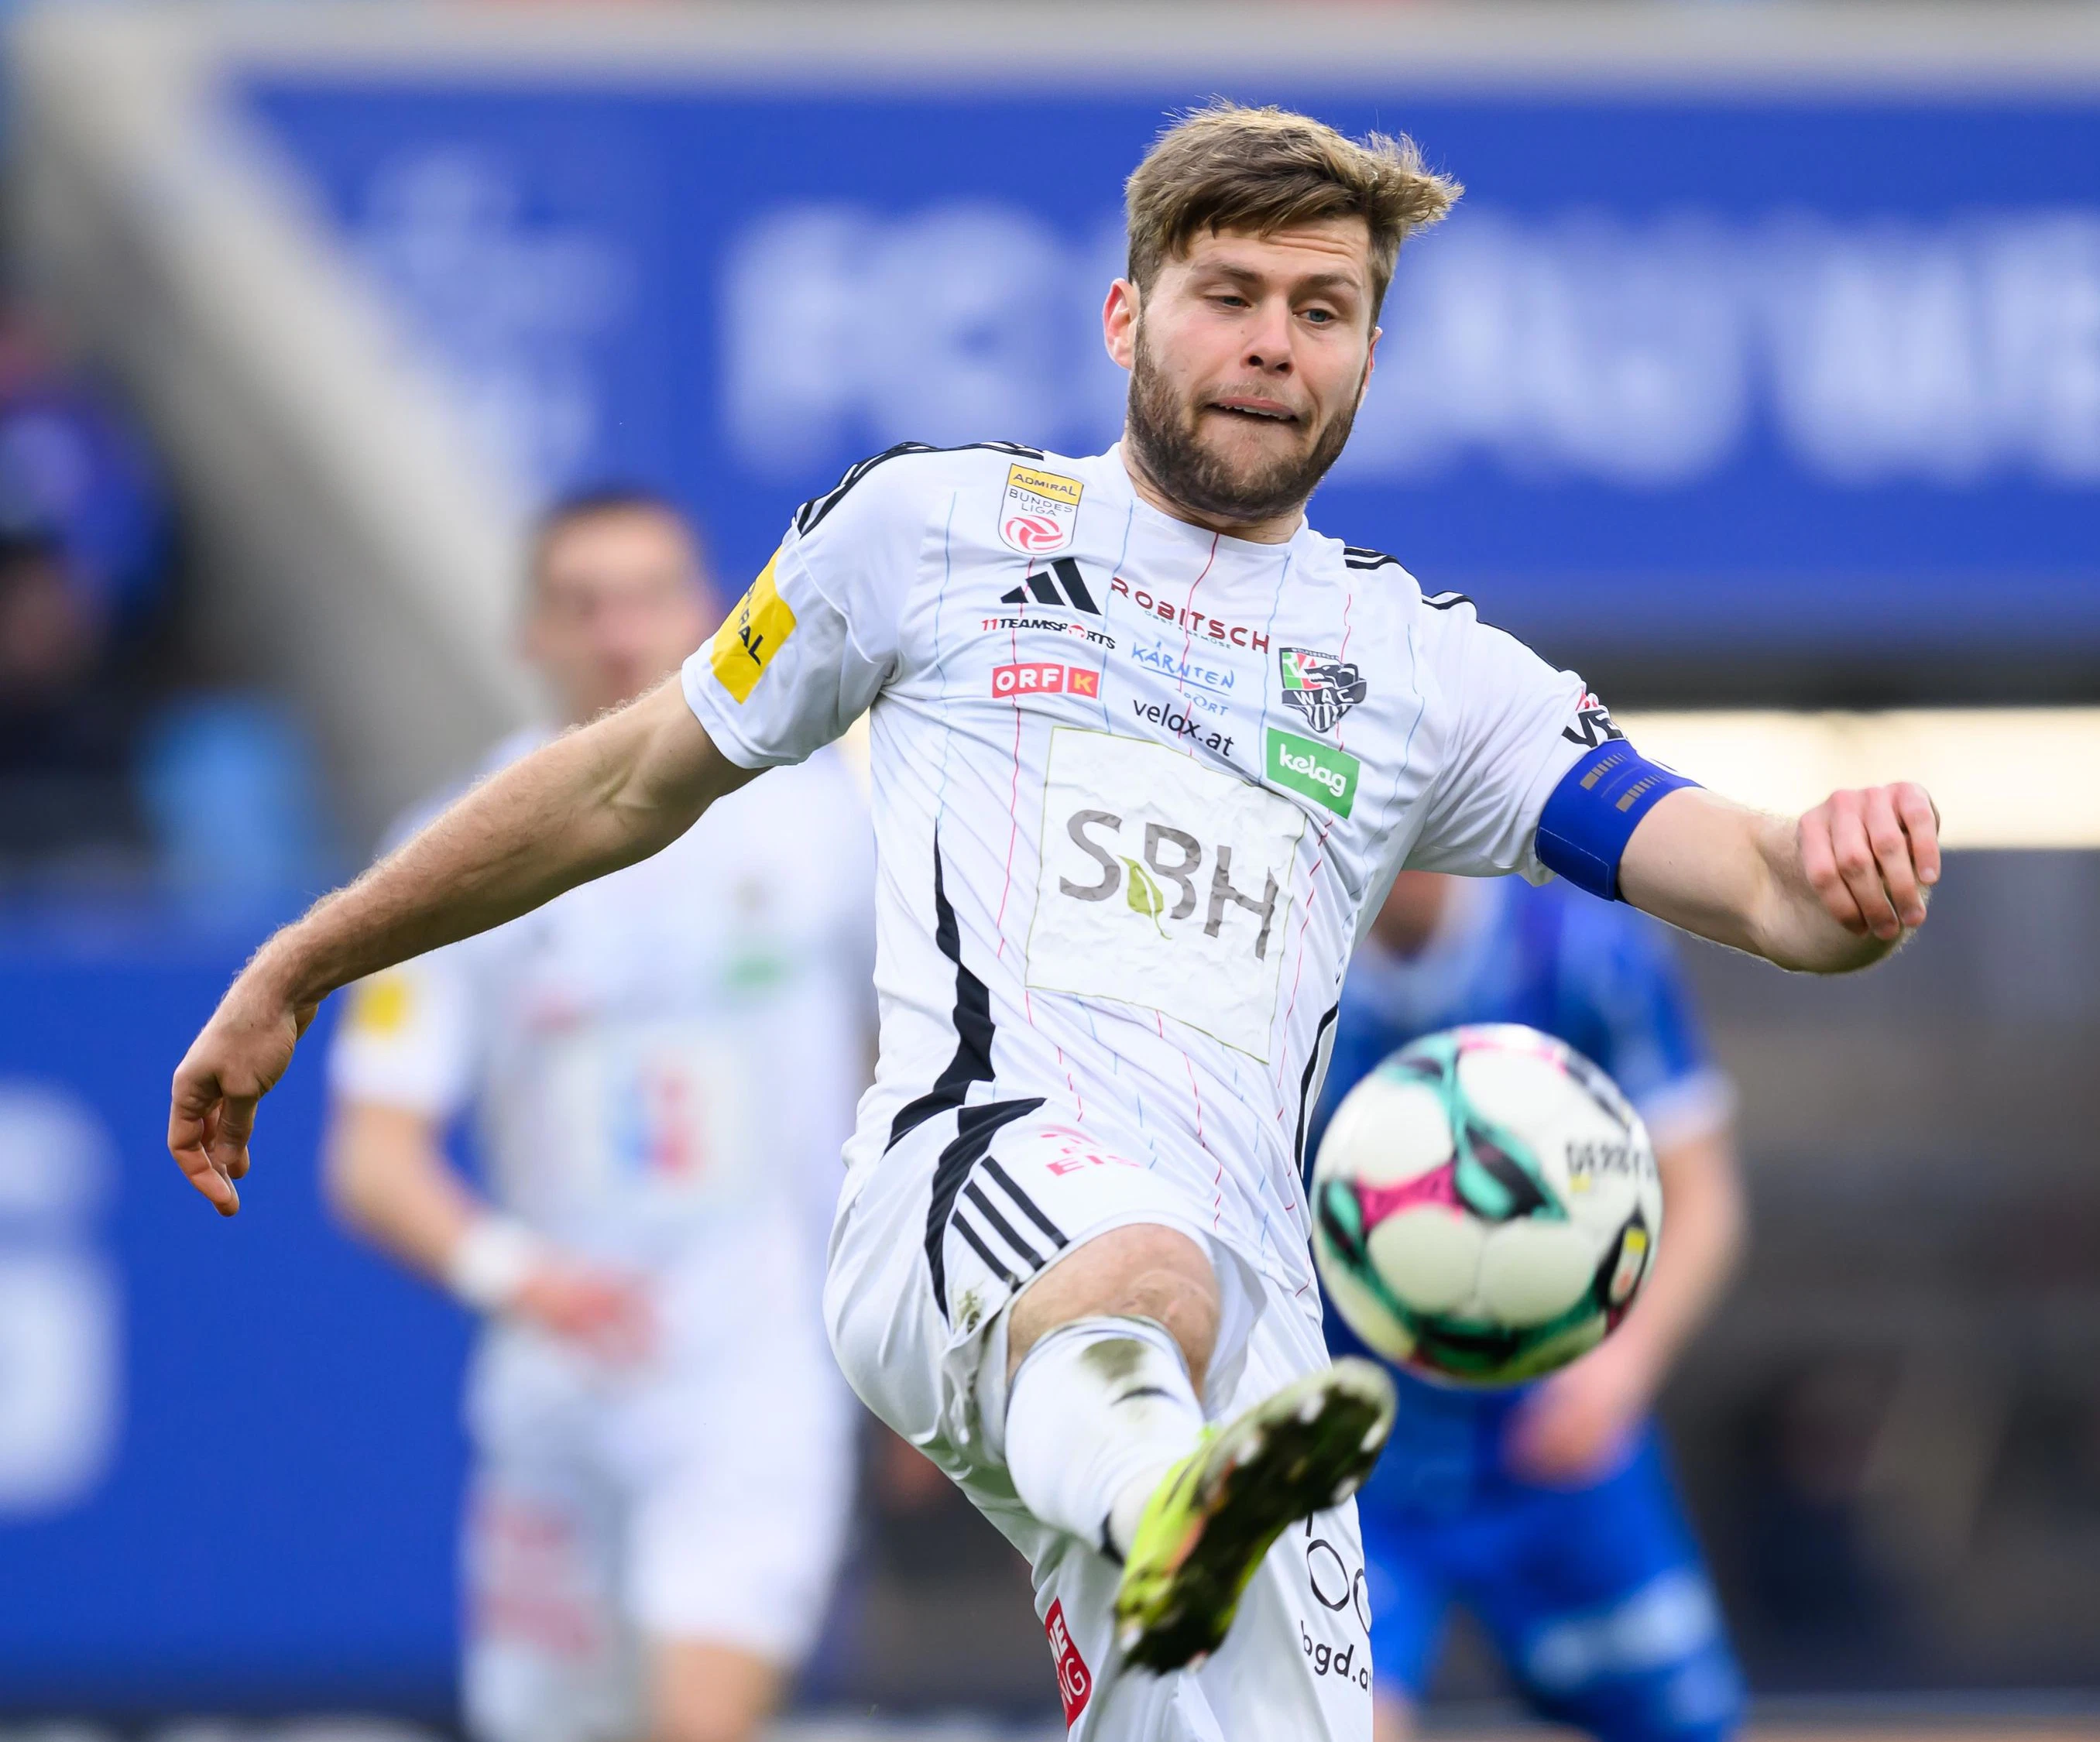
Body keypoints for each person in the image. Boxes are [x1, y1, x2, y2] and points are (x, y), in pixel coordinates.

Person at [166, 103, 1941, 1742]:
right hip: (969, 1197)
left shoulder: (1425, 674)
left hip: (1261, 1354)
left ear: (1369, 355)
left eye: (1322, 308)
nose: (1271, 340)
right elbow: (626, 776)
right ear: (1123, 316)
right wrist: (305, 957)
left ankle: (1177, 1495)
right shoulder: (933, 531)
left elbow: (1763, 885)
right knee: (1136, 1272)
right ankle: (1167, 1489)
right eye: (1227, 291)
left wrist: (1841, 862)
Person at [318, 490, 874, 1742]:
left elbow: (918, 1061)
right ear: (529, 632)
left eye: (649, 598)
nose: (620, 635)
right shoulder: (449, 856)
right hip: (559, 1392)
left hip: (753, 1372)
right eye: (583, 604)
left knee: (696, 1726)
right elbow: (374, 1158)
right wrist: (529, 1280)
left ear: (712, 615)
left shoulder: (828, 824)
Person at [1325, 870, 1748, 1742]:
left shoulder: (1588, 955)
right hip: (1355, 1460)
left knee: (1685, 1728)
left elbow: (1705, 1199)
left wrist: (1621, 1366)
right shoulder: (1274, 973)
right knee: (1338, 1726)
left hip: (1558, 1447)